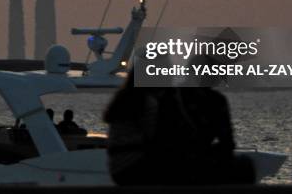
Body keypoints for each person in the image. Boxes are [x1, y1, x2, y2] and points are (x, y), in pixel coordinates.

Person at [103, 68, 254, 186]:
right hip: (138, 166)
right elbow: (162, 138)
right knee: (242, 167)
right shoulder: (150, 100)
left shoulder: (131, 97)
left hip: (121, 167)